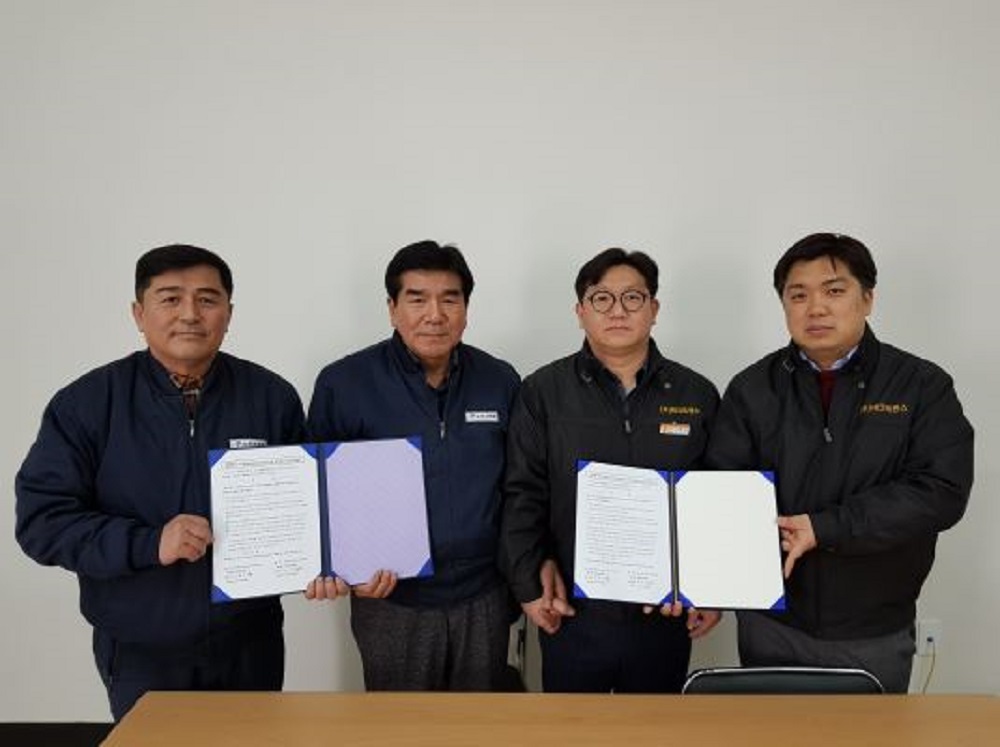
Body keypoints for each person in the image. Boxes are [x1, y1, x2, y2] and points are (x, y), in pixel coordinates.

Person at [15, 245, 306, 720]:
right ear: (139, 313)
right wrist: (151, 543)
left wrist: (327, 562)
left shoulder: (272, 397)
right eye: (170, 299)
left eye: (207, 299)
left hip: (250, 643)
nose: (190, 314)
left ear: (229, 314)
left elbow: (305, 507)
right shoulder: (87, 403)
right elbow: (43, 523)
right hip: (141, 649)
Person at [706, 232, 974, 693]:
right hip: (772, 623)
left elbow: (941, 492)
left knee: (869, 732)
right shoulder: (752, 389)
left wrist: (826, 527)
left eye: (833, 290)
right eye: (798, 295)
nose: (816, 308)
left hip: (874, 628)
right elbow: (721, 493)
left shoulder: (921, 385)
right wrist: (709, 586)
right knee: (771, 730)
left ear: (867, 299)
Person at [501, 247, 721, 693]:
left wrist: (713, 589)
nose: (617, 311)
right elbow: (522, 493)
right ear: (580, 311)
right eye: (601, 298)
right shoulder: (542, 392)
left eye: (632, 298)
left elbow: (716, 500)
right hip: (573, 613)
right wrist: (528, 584)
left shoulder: (696, 394)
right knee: (573, 726)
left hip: (664, 615)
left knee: (656, 727)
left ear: (654, 308)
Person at [306, 240, 520, 691]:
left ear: (466, 309)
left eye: (450, 299)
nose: (434, 315)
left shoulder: (500, 380)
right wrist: (344, 570)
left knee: (481, 722)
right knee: (399, 724)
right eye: (417, 299)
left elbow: (519, 486)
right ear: (392, 308)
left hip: (484, 594)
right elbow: (318, 494)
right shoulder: (344, 383)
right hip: (391, 599)